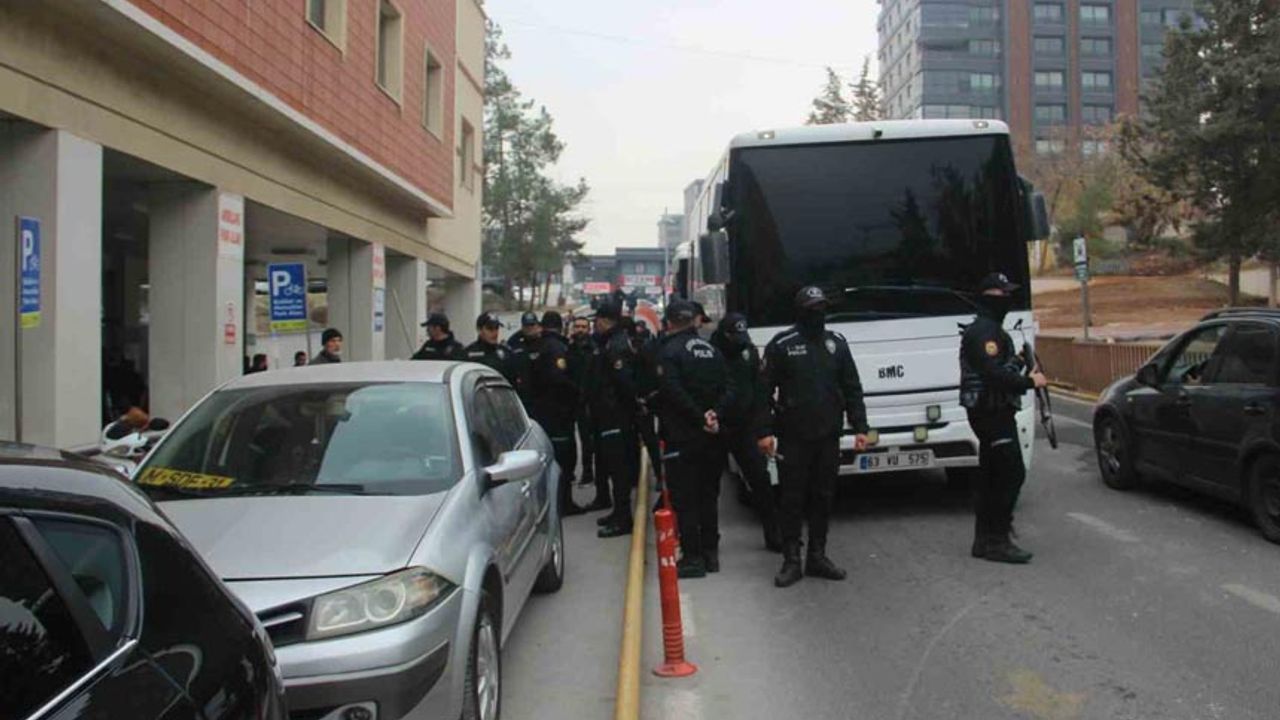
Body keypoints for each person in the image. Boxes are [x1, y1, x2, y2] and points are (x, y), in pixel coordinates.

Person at [756, 287, 869, 588]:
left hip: (828, 434)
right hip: (793, 435)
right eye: (812, 308)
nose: (818, 313)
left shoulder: (837, 343)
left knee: (823, 496)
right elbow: (762, 393)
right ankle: (792, 559)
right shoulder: (782, 344)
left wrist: (861, 427)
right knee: (792, 498)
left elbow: (852, 387)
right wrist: (764, 432)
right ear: (801, 311)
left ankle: (817, 556)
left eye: (822, 307)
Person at [960, 272, 1048, 564]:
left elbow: (997, 368)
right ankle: (997, 540)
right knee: (1011, 473)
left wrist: (1020, 362)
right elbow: (992, 374)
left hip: (992, 410)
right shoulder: (984, 332)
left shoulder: (989, 329)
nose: (1008, 299)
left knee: (991, 474)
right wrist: (1030, 382)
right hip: (991, 412)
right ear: (988, 297)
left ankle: (984, 540)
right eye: (1002, 293)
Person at [658, 300, 734, 577]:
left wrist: (698, 416)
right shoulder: (712, 350)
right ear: (694, 321)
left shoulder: (669, 352)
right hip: (713, 436)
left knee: (686, 499)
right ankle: (711, 554)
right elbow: (730, 387)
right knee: (708, 496)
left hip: (683, 437)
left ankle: (693, 558)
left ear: (669, 322)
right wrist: (714, 414)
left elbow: (672, 391)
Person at [712, 312, 782, 553]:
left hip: (745, 426)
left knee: (761, 482)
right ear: (725, 334)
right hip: (718, 426)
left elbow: (760, 391)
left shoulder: (748, 351)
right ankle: (709, 543)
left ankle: (774, 535)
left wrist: (764, 429)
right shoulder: (711, 353)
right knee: (709, 486)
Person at [587, 298, 639, 538]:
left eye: (596, 321)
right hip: (608, 414)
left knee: (619, 470)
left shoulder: (616, 345)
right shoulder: (608, 342)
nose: (594, 325)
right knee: (613, 466)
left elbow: (624, 384)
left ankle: (623, 518)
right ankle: (618, 512)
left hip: (615, 416)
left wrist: (619, 411)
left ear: (605, 321)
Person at [530, 311, 586, 516]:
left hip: (541, 412)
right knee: (564, 458)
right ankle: (563, 502)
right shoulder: (557, 348)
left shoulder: (535, 346)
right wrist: (578, 392)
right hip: (558, 412)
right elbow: (560, 379)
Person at [568, 316, 603, 495]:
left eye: (583, 327)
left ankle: (592, 473)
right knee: (581, 439)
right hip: (574, 399)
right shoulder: (569, 349)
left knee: (592, 439)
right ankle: (584, 472)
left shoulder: (595, 349)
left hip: (592, 400)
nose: (580, 330)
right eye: (577, 327)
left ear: (588, 329)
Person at [463, 312, 521, 388]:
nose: (495, 333)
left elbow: (514, 382)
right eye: (490, 328)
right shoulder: (468, 354)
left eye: (496, 328)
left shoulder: (506, 353)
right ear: (479, 330)